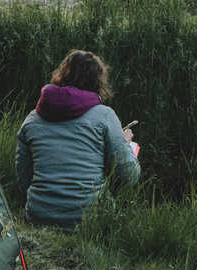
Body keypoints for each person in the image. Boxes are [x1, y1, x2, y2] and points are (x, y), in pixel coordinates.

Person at [15, 49, 140, 229]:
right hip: (90, 220)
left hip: (38, 217)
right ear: (97, 81)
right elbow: (129, 176)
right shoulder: (105, 115)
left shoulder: (33, 118)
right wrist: (126, 146)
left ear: (61, 75)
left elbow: (23, 175)